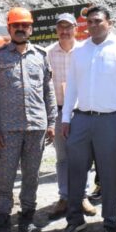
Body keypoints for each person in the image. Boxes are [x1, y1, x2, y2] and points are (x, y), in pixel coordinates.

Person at [60, 6, 116, 232]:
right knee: (76, 171)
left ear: (110, 23)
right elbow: (72, 87)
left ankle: (110, 221)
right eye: (90, 22)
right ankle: (75, 220)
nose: (93, 25)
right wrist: (66, 118)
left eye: (98, 21)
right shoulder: (80, 51)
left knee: (108, 173)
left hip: (112, 120)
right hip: (82, 118)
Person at [0, 7, 57, 232]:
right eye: (16, 25)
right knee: (4, 180)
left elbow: (48, 91)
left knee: (31, 177)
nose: (21, 29)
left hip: (36, 127)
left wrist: (52, 122)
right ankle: (3, 226)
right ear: (9, 28)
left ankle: (27, 221)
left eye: (25, 25)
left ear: (31, 28)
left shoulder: (41, 55)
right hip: (7, 130)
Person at [45, 13, 95, 220]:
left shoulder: (85, 51)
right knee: (62, 157)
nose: (64, 31)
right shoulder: (47, 53)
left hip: (81, 112)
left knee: (83, 157)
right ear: (56, 30)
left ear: (76, 28)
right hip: (58, 111)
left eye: (68, 27)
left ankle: (82, 196)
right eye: (61, 27)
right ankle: (65, 196)